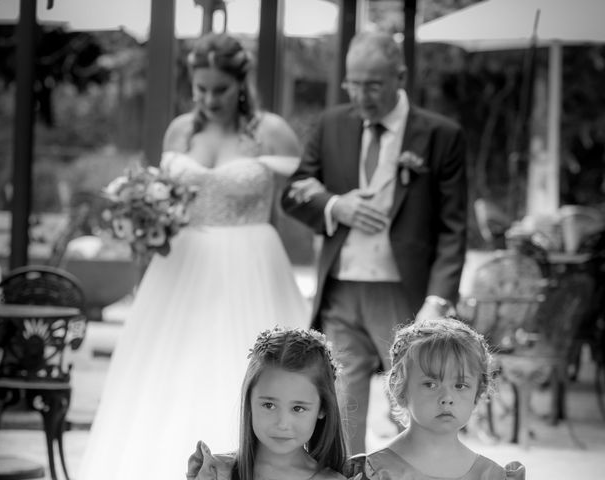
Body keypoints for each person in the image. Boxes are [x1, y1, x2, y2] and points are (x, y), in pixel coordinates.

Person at [78, 33, 310, 479]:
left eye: (218, 89)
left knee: (249, 369)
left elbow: (305, 197)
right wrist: (147, 216)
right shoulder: (181, 130)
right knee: (168, 372)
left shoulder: (271, 131)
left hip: (250, 264)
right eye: (199, 88)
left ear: (241, 83)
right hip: (180, 268)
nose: (207, 99)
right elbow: (164, 194)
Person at [281, 30, 468, 454]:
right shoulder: (332, 125)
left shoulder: (441, 135)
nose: (361, 94)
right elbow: (293, 192)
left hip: (404, 293)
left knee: (422, 402)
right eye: (353, 83)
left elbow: (454, 229)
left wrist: (437, 302)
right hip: (342, 292)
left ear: (400, 76)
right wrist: (334, 206)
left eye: (373, 84)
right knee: (342, 407)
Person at [347, 316, 526, 480]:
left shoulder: (491, 476)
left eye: (460, 386)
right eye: (431, 384)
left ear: (477, 394)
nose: (447, 398)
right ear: (399, 388)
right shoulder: (374, 472)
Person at [187, 326, 347, 480]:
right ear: (249, 401)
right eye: (269, 405)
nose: (282, 424)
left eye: (298, 408)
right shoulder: (215, 473)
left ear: (322, 408)